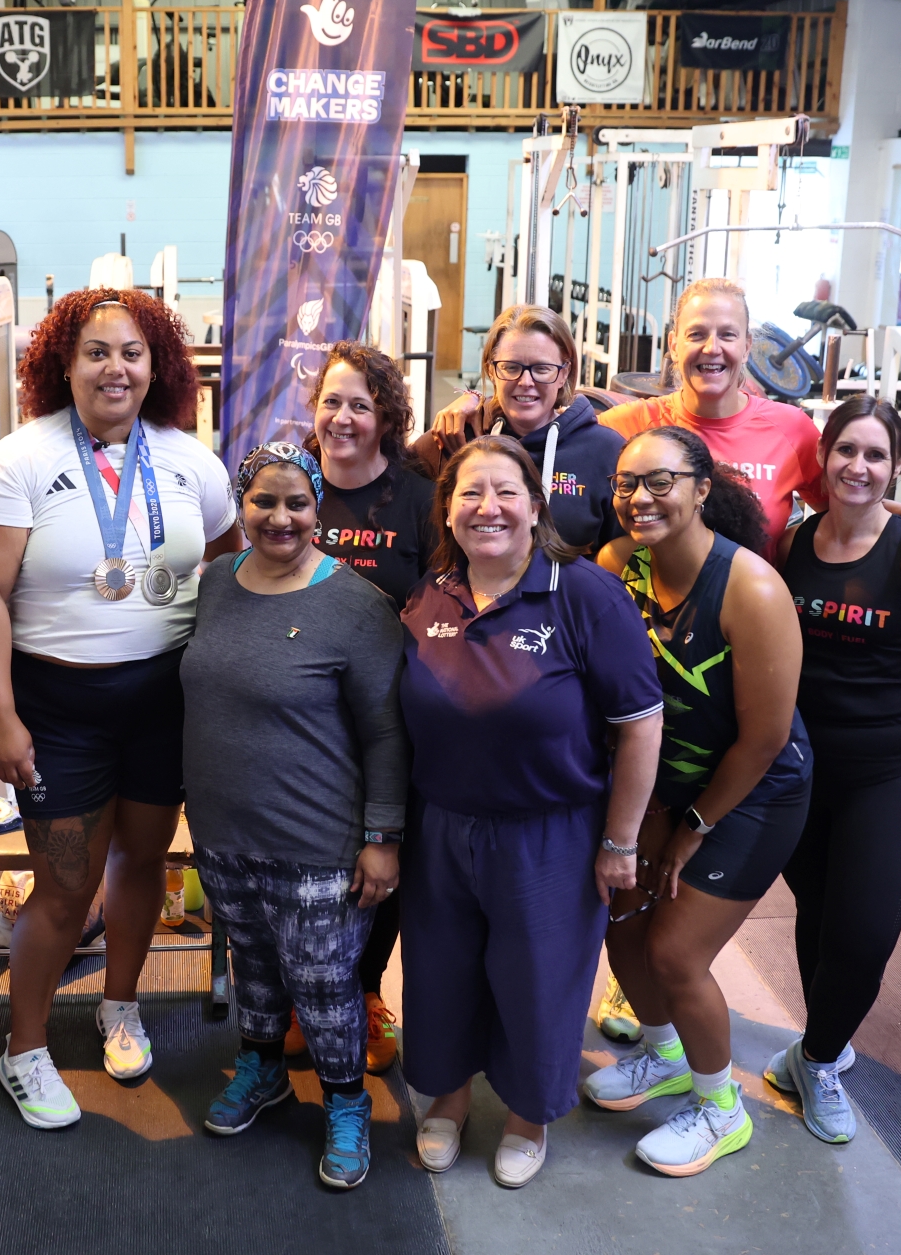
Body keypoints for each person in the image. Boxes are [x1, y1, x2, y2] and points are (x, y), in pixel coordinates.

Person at [0, 288, 237, 1129]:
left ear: (158, 365)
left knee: (144, 862)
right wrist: (0, 714)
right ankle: (25, 1046)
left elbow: (231, 564)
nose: (115, 368)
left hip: (162, 701)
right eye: (96, 352)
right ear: (64, 363)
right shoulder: (17, 460)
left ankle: (122, 1004)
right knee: (63, 883)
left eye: (131, 352)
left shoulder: (190, 461)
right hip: (60, 708)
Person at [400, 436, 663, 1189]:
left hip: (549, 831)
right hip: (441, 825)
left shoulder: (585, 595)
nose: (488, 508)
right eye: (469, 493)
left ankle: (527, 1114)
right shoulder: (432, 594)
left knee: (538, 980)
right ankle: (449, 1096)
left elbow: (642, 723)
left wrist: (621, 841)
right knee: (441, 970)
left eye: (505, 491)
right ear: (447, 509)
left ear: (536, 505)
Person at [585, 426, 811, 1178]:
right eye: (626, 483)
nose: (639, 498)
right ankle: (665, 1055)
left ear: (702, 488)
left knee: (676, 953)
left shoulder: (751, 589)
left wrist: (692, 827)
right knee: (623, 920)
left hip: (753, 790)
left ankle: (721, 1110)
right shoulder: (617, 564)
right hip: (664, 779)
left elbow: (765, 738)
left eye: (661, 481)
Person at [181, 442, 406, 1188]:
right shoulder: (218, 580)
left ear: (318, 509)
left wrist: (382, 837)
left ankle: (346, 1102)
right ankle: (263, 1069)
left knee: (324, 984)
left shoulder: (356, 604)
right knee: (253, 966)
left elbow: (386, 732)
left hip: (318, 839)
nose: (280, 517)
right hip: (223, 830)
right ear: (241, 506)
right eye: (264, 501)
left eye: (297, 503)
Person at [770, 397, 901, 1143]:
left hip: (887, 770)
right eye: (846, 450)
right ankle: (821, 1043)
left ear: (897, 466)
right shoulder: (792, 543)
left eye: (876, 454)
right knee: (819, 916)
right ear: (823, 458)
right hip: (800, 768)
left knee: (862, 934)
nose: (859, 466)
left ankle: (817, 1060)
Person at [581, 278, 901, 577]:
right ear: (674, 345)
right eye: (696, 334)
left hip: (749, 616)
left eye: (728, 335)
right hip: (647, 616)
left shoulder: (790, 428)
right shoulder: (628, 424)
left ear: (747, 347)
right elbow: (561, 464)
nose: (712, 348)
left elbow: (851, 503)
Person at [299, 340, 437, 1073]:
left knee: (381, 855)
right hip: (299, 713)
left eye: (362, 404)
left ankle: (366, 989)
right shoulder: (290, 482)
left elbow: (444, 597)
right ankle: (301, 991)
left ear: (387, 416)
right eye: (333, 402)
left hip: (388, 712)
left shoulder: (419, 497)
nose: (344, 418)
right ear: (313, 408)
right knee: (305, 853)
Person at [418, 306, 625, 550]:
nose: (526, 382)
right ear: (491, 370)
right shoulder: (458, 435)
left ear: (564, 373)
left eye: (542, 369)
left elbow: (627, 551)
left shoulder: (606, 451)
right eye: (511, 367)